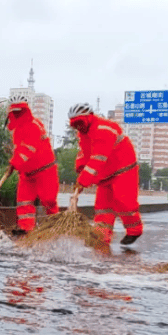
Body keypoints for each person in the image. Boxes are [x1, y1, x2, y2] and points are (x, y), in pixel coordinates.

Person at [68, 102, 143, 245]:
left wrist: (83, 180)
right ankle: (101, 237)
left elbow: (98, 158)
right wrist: (80, 168)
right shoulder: (84, 134)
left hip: (123, 168)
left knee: (124, 202)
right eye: (75, 124)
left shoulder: (103, 129)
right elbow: (85, 153)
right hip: (104, 174)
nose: (78, 127)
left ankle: (134, 231)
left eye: (80, 123)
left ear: (89, 117)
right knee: (103, 208)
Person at [7, 100, 59, 235]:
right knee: (23, 202)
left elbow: (29, 148)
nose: (17, 115)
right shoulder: (17, 130)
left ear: (26, 112)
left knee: (48, 200)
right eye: (14, 113)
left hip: (45, 170)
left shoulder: (34, 126)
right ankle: (26, 229)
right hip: (26, 173)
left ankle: (55, 227)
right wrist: (14, 163)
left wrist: (15, 162)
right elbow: (19, 150)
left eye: (19, 112)